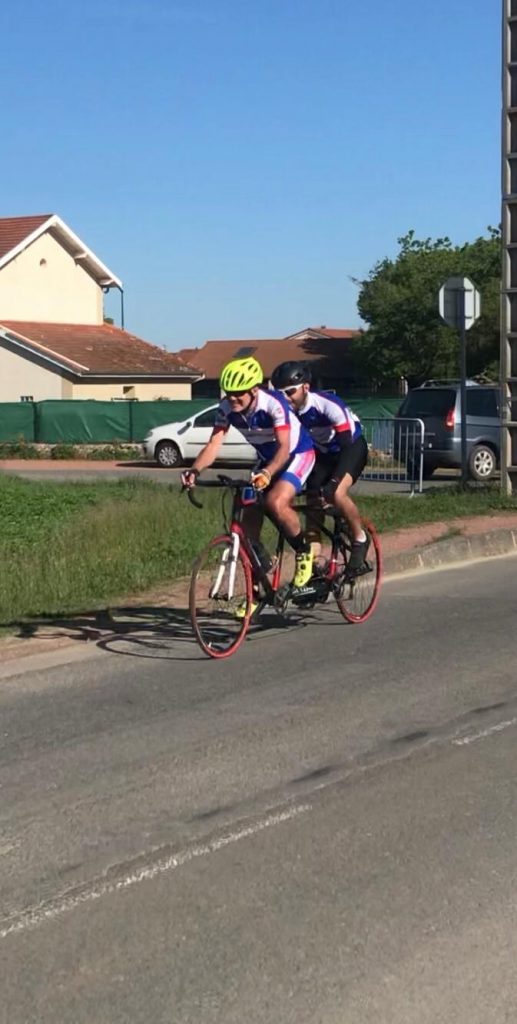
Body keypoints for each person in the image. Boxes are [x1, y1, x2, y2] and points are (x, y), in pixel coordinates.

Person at [181, 357, 316, 609]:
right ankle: (258, 589)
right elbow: (213, 445)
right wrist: (195, 470)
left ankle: (303, 551)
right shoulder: (226, 408)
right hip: (267, 458)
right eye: (229, 394)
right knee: (246, 521)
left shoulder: (273, 404)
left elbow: (285, 448)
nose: (233, 400)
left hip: (296, 454)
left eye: (239, 395)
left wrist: (267, 473)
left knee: (276, 501)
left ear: (255, 390)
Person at [270, 361, 369, 573]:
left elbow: (346, 442)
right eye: (280, 394)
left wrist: (333, 481)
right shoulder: (285, 411)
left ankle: (360, 538)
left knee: (337, 493)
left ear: (305, 387)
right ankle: (314, 566)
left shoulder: (326, 404)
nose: (286, 398)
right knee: (313, 506)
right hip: (322, 453)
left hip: (350, 447)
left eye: (290, 392)